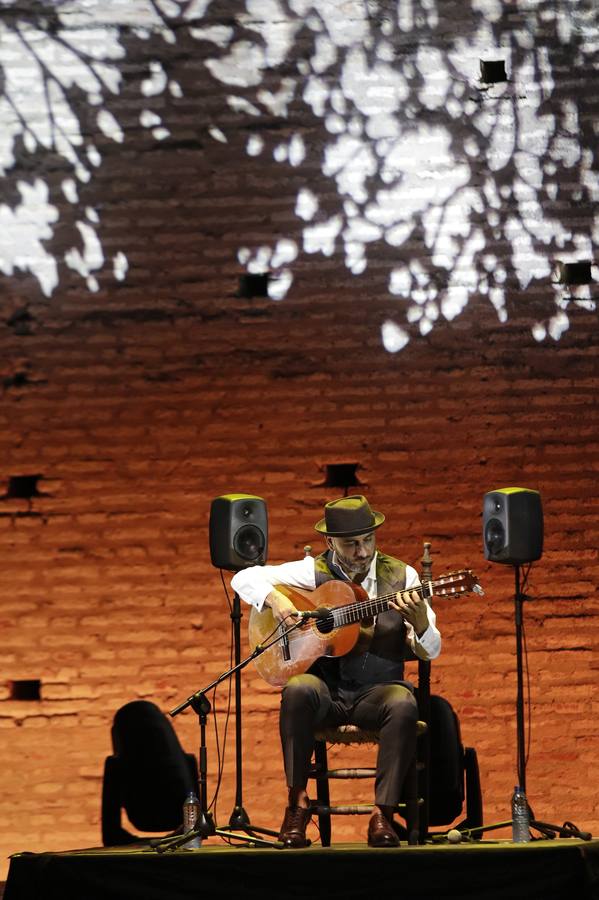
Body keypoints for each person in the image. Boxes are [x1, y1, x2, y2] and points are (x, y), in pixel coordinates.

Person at [231, 494, 441, 848]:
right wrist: (278, 601)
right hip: (326, 691)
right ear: (330, 543)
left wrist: (420, 622)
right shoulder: (311, 571)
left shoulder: (402, 575)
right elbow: (244, 578)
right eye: (350, 544)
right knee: (296, 689)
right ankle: (297, 804)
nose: (362, 552)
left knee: (404, 703)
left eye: (367, 541)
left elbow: (432, 648)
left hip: (377, 691)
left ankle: (383, 815)